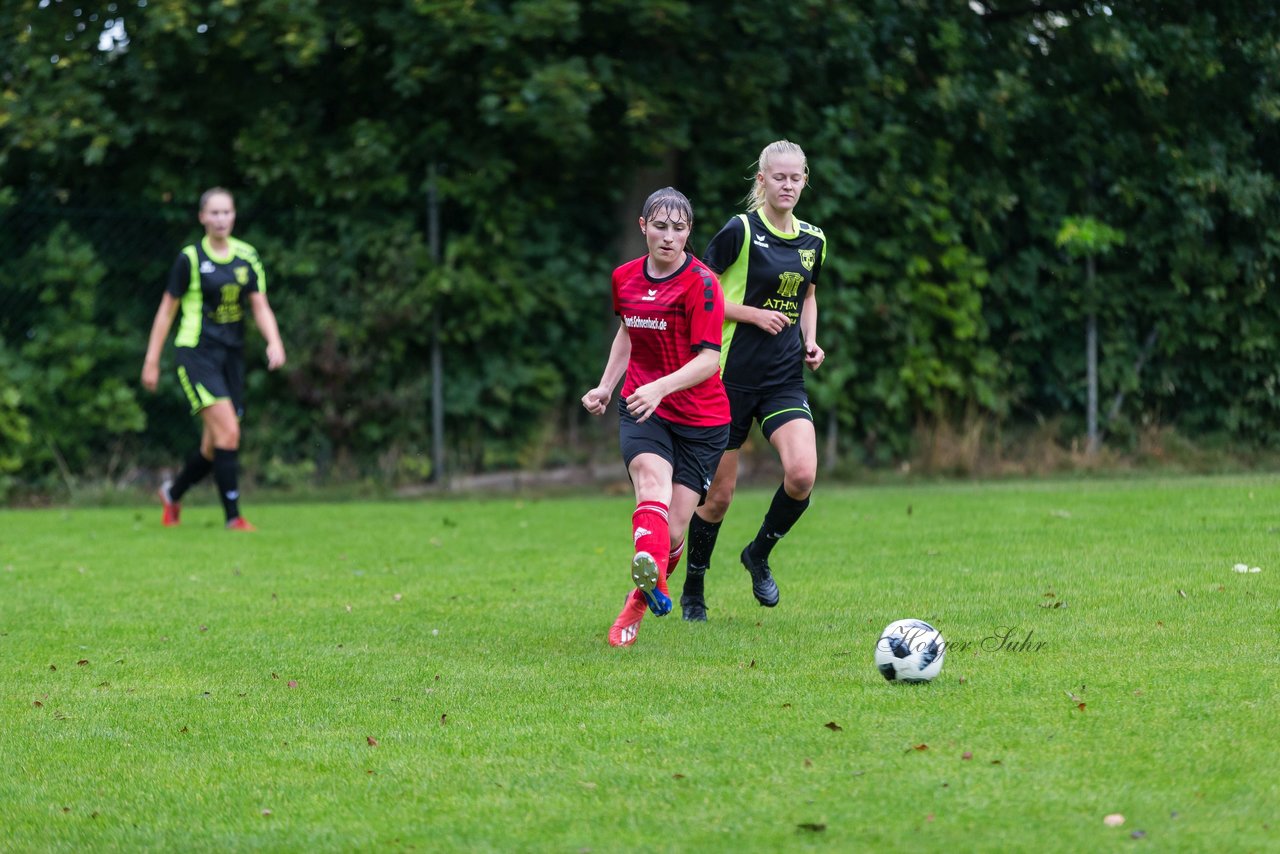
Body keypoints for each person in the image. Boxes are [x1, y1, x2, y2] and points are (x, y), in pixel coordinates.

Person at [679, 140, 828, 621]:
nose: (787, 185)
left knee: (802, 473)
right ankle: (694, 588)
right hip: (726, 378)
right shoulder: (739, 230)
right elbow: (695, 294)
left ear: (805, 180)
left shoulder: (814, 239)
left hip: (783, 379)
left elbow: (807, 295)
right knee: (718, 497)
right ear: (761, 180)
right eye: (778, 177)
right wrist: (751, 315)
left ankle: (758, 553)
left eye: (795, 177)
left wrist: (810, 340)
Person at [582, 187, 731, 647]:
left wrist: (661, 386)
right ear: (643, 226)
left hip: (703, 422)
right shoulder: (623, 278)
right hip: (644, 409)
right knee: (651, 486)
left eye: (680, 228)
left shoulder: (703, 284)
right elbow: (627, 332)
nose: (670, 237)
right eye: (661, 226)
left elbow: (709, 360)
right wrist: (607, 387)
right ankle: (650, 587)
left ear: (689, 232)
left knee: (670, 533)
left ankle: (640, 597)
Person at [141, 187, 286, 531]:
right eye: (214, 213)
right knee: (229, 433)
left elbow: (260, 305)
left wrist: (274, 341)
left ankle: (172, 493)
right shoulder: (189, 259)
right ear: (202, 217)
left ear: (234, 215)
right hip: (196, 353)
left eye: (227, 212)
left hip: (231, 356)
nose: (221, 219)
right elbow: (166, 312)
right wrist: (151, 360)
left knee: (214, 445)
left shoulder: (247, 257)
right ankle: (233, 518)